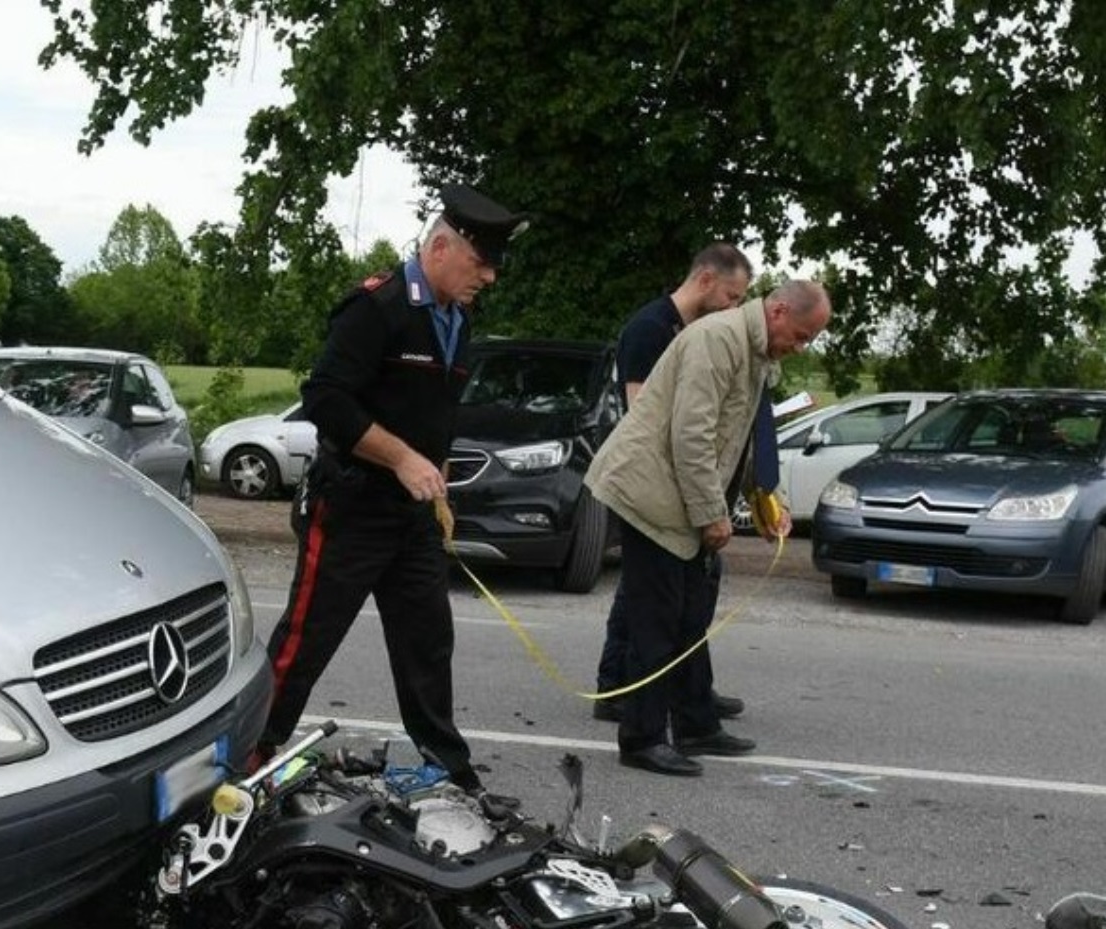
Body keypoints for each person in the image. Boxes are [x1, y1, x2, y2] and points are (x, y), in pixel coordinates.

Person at [252, 182, 530, 795]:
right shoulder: (378, 307)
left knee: (428, 638)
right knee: (308, 636)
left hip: (414, 517)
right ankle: (252, 752)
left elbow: (432, 413)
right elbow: (325, 398)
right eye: (480, 263)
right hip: (352, 506)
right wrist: (402, 457)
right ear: (438, 247)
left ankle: (445, 768)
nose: (489, 277)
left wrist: (436, 474)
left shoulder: (458, 319)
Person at [584, 280, 831, 777]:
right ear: (778, 311)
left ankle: (695, 724)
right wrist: (711, 516)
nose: (801, 347)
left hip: (680, 492)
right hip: (649, 492)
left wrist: (764, 500)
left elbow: (737, 437)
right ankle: (641, 738)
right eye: (802, 335)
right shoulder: (716, 340)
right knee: (657, 620)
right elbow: (691, 437)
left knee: (692, 615)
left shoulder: (755, 351)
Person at [594, 243, 753, 743]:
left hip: (678, 484)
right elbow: (648, 414)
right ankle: (618, 687)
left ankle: (688, 697)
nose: (733, 307)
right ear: (706, 280)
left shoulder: (697, 331)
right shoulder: (651, 328)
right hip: (653, 483)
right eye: (732, 295)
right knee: (650, 601)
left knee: (672, 598)